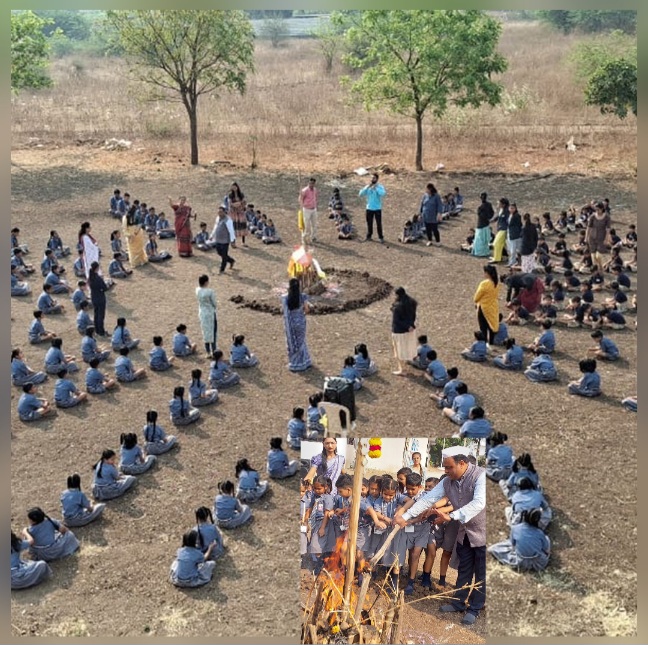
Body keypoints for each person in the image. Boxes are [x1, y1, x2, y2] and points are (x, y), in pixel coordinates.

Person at [395, 453, 486, 626]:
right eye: (445, 467)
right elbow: (427, 500)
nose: (446, 471)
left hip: (483, 533)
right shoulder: (447, 482)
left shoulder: (481, 476)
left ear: (462, 463)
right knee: (464, 569)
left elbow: (479, 503)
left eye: (449, 467)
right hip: (465, 533)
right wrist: (405, 516)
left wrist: (451, 516)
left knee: (482, 573)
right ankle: (458, 602)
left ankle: (474, 608)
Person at [488, 508, 550, 573]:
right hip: (538, 563)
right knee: (547, 539)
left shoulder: (515, 528)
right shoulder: (540, 533)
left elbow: (513, 545)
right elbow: (545, 549)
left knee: (495, 548)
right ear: (538, 520)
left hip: (519, 561)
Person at [303, 475, 335, 575]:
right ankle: (320, 567)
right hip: (315, 522)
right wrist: (306, 520)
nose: (317, 490)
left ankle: (319, 568)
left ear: (325, 487)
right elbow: (310, 508)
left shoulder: (328, 498)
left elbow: (326, 513)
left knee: (316, 545)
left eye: (319, 488)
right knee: (316, 546)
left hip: (323, 523)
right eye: (315, 488)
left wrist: (322, 528)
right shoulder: (314, 496)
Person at [282, 278, 312, 372]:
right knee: (301, 342)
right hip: (300, 322)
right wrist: (302, 312)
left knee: (293, 342)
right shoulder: (302, 297)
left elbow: (284, 310)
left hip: (291, 323)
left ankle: (295, 363)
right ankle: (304, 362)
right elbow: (307, 310)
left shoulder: (285, 298)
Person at [390, 286, 418, 375]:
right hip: (410, 330)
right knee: (408, 347)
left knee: (399, 350)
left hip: (399, 331)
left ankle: (402, 370)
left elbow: (396, 321)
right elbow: (413, 315)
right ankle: (408, 360)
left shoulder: (397, 307)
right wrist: (410, 325)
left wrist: (406, 326)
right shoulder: (412, 302)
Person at [473, 265, 500, 345]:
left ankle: (484, 342)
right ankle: (491, 341)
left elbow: (477, 297)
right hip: (493, 305)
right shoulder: (496, 283)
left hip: (484, 307)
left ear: (487, 273)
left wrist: (476, 301)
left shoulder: (484, 283)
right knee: (491, 324)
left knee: (483, 327)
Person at [359, 173, 387, 243]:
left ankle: (380, 237)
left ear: (377, 179)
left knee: (378, 223)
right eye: (371, 178)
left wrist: (376, 188)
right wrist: (367, 188)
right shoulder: (367, 187)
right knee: (369, 223)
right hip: (369, 208)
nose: (372, 179)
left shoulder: (380, 187)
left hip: (377, 208)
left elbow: (383, 193)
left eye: (374, 178)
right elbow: (360, 194)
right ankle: (369, 236)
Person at [586, 201, 611, 272]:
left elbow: (608, 229)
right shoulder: (592, 216)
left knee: (599, 255)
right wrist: (586, 237)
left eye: (598, 209)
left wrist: (606, 239)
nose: (597, 211)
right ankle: (596, 269)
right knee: (593, 255)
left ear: (602, 209)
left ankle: (600, 267)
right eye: (596, 209)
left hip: (601, 237)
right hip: (592, 236)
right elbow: (588, 227)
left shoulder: (607, 217)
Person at [196, 274, 218, 356]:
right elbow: (214, 303)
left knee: (205, 331)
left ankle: (208, 351)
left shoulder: (197, 290)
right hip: (210, 312)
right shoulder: (210, 292)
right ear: (206, 282)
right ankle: (214, 350)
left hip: (202, 312)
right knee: (213, 331)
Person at [210, 206, 236, 274]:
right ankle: (231, 260)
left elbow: (231, 231)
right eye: (218, 212)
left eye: (221, 212)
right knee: (219, 252)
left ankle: (222, 269)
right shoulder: (218, 218)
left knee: (224, 255)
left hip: (225, 241)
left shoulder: (228, 220)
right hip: (218, 239)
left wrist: (232, 241)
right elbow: (215, 227)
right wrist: (212, 235)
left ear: (225, 212)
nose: (219, 213)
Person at [88, 261, 110, 337]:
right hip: (100, 297)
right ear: (97, 268)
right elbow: (105, 288)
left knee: (96, 314)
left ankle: (97, 330)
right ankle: (101, 331)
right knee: (101, 315)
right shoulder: (98, 278)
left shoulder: (90, 278)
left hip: (94, 297)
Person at [225, 182, 248, 246]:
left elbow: (244, 202)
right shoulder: (230, 195)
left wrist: (240, 204)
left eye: (235, 187)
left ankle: (243, 242)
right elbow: (230, 204)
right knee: (234, 227)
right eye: (233, 187)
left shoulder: (241, 194)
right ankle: (233, 242)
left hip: (241, 212)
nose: (234, 188)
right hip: (233, 213)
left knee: (242, 226)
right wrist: (236, 204)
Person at [471, 192, 494, 257]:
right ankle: (484, 251)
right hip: (485, 224)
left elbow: (481, 215)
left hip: (481, 224)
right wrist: (488, 218)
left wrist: (487, 218)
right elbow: (492, 213)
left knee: (480, 239)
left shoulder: (480, 207)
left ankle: (480, 252)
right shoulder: (488, 205)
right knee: (484, 239)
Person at [420, 183, 442, 247]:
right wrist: (420, 213)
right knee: (428, 229)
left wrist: (439, 213)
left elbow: (439, 205)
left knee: (435, 229)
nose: (426, 190)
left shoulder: (436, 196)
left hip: (433, 216)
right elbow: (422, 204)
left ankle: (438, 241)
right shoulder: (425, 195)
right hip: (426, 215)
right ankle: (429, 240)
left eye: (427, 189)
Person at [299, 177, 319, 245]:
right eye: (310, 183)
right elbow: (300, 199)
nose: (311, 185)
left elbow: (315, 198)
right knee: (306, 225)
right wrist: (302, 206)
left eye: (312, 183)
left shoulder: (315, 190)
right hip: (306, 209)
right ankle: (304, 238)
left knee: (314, 224)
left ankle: (313, 237)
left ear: (314, 184)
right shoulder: (304, 190)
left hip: (314, 209)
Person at [490, 198, 510, 263]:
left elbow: (508, 221)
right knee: (501, 244)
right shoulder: (501, 210)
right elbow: (498, 217)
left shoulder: (507, 211)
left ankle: (497, 259)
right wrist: (491, 220)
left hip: (504, 229)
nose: (498, 204)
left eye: (499, 203)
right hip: (500, 229)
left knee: (496, 243)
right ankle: (499, 256)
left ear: (503, 204)